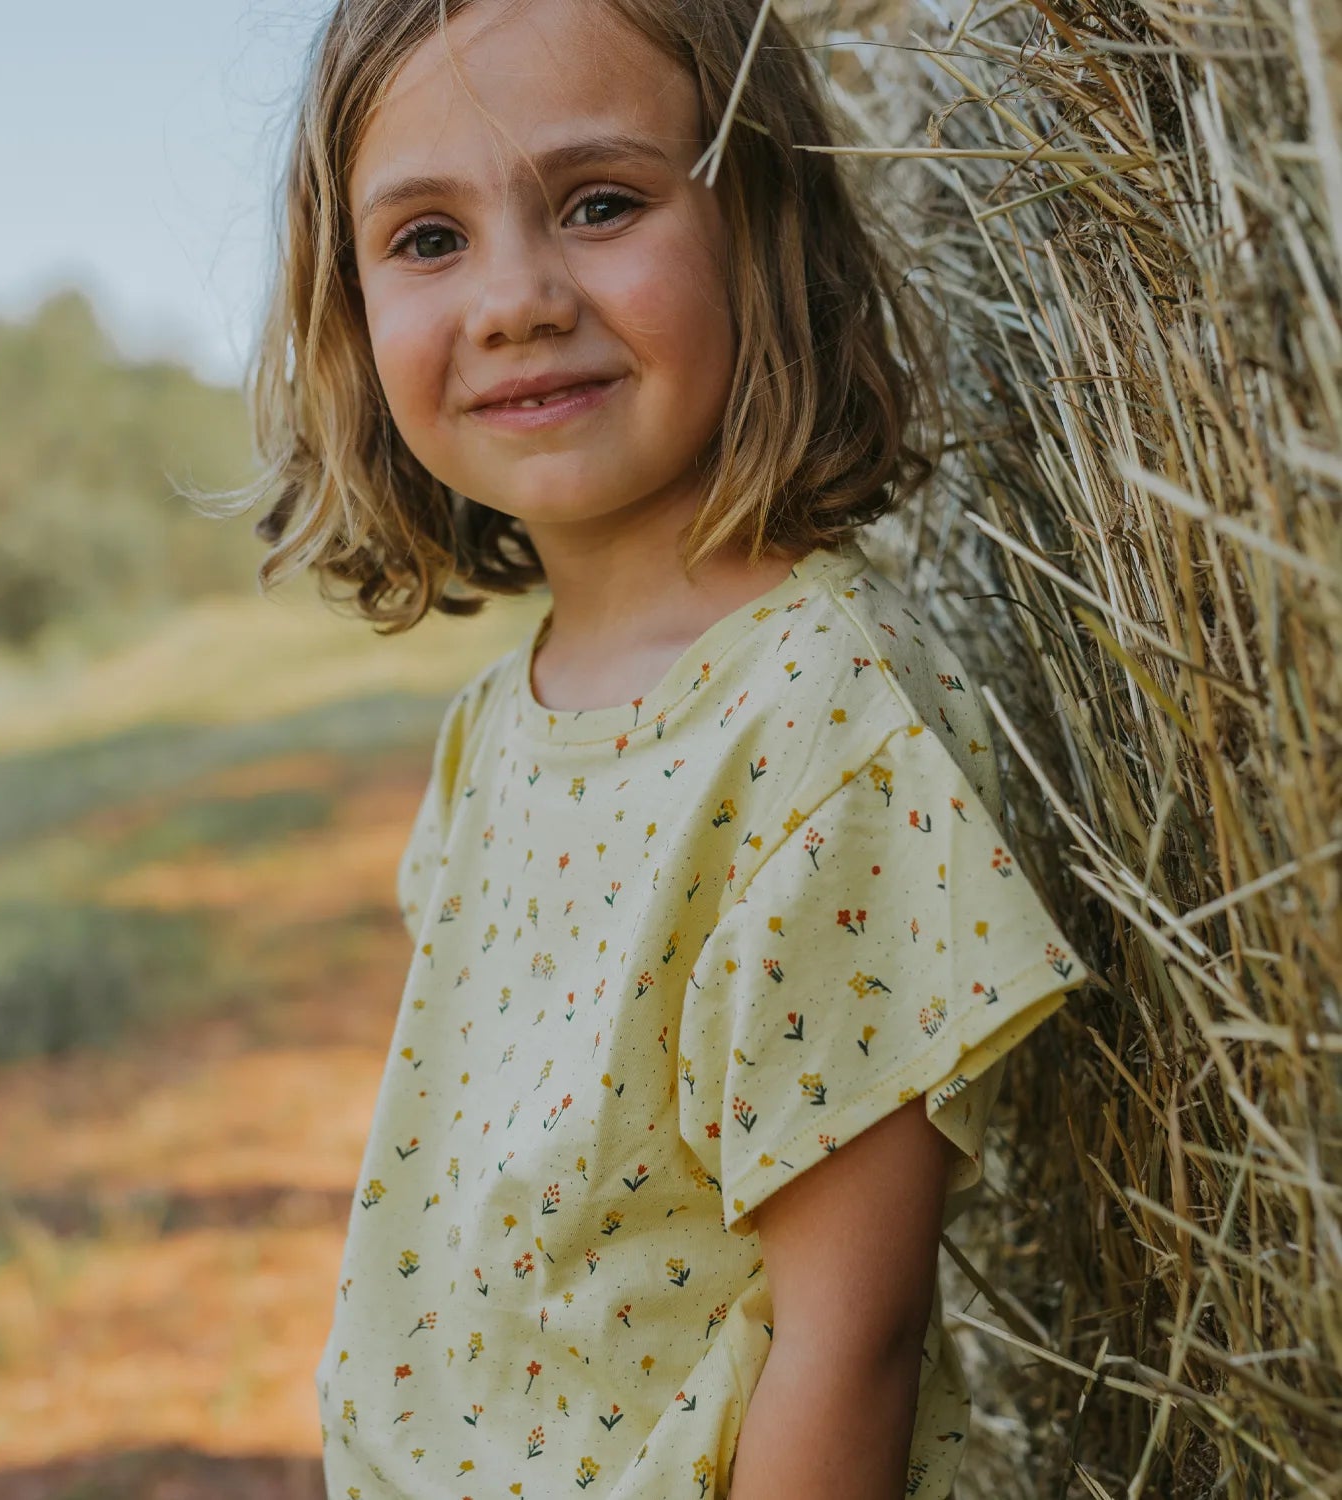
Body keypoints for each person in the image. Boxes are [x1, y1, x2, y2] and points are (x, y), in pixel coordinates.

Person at [242, 1, 1093, 1494]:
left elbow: (852, 1342)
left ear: (766, 233)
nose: (514, 298)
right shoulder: (499, 727)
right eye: (427, 240)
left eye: (601, 204)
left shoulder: (820, 720)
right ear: (350, 312)